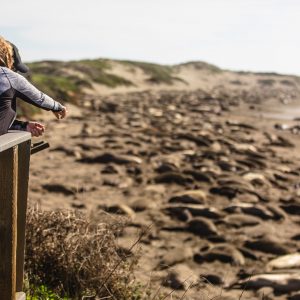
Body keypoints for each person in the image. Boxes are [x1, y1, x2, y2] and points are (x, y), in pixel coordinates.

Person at [0, 36, 67, 137]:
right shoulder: (6, 75)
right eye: (14, 66)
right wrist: (57, 107)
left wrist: (23, 126)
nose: (14, 70)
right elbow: (40, 99)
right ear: (7, 57)